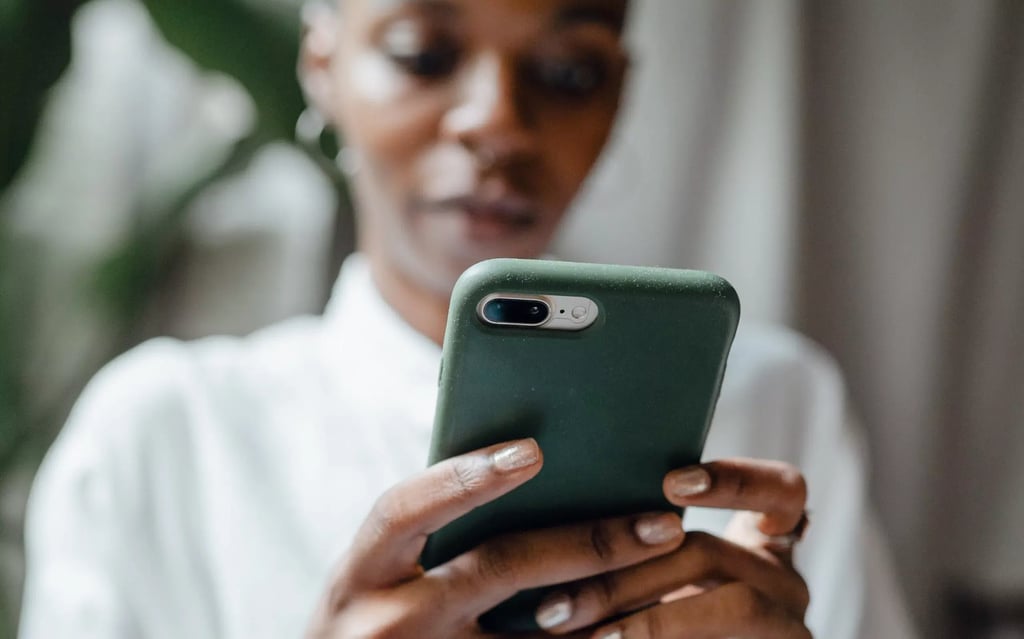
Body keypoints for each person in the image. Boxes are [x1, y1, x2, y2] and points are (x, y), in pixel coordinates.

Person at [19, 0, 916, 637]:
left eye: (568, 71)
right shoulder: (165, 433)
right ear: (322, 66)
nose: (498, 120)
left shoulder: (774, 405)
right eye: (422, 51)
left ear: (618, 94)